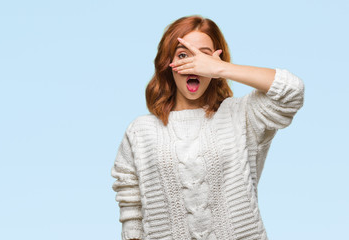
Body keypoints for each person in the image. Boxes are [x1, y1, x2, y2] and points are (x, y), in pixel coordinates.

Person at [111, 14, 305, 240]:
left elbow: (292, 91)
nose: (195, 65)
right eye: (183, 55)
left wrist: (220, 69)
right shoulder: (140, 131)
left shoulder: (241, 115)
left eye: (203, 56)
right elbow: (130, 201)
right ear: (168, 64)